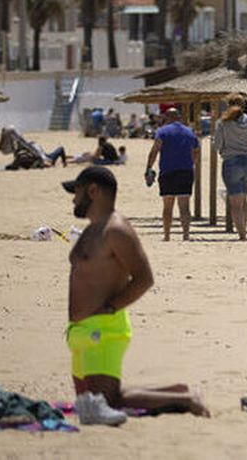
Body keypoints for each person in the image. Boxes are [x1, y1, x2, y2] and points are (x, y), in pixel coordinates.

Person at [65, 167, 208, 420]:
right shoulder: (91, 229)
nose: (73, 199)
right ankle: (176, 392)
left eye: (76, 192)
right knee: (88, 402)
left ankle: (186, 400)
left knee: (109, 402)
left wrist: (109, 309)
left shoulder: (116, 230)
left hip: (104, 331)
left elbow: (144, 278)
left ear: (93, 191)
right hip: (80, 331)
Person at [211, 93, 247, 242]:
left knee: (235, 203)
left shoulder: (223, 123)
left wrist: (220, 148)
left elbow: (217, 146)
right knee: (244, 199)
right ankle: (244, 229)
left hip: (231, 162)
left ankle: (242, 235)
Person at [145, 107, 199, 242]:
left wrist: (148, 167)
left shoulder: (162, 131)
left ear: (167, 117)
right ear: (179, 117)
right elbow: (196, 150)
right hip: (186, 171)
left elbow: (155, 150)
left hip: (168, 171)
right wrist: (192, 162)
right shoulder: (189, 132)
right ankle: (186, 235)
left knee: (168, 206)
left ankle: (167, 235)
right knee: (184, 206)